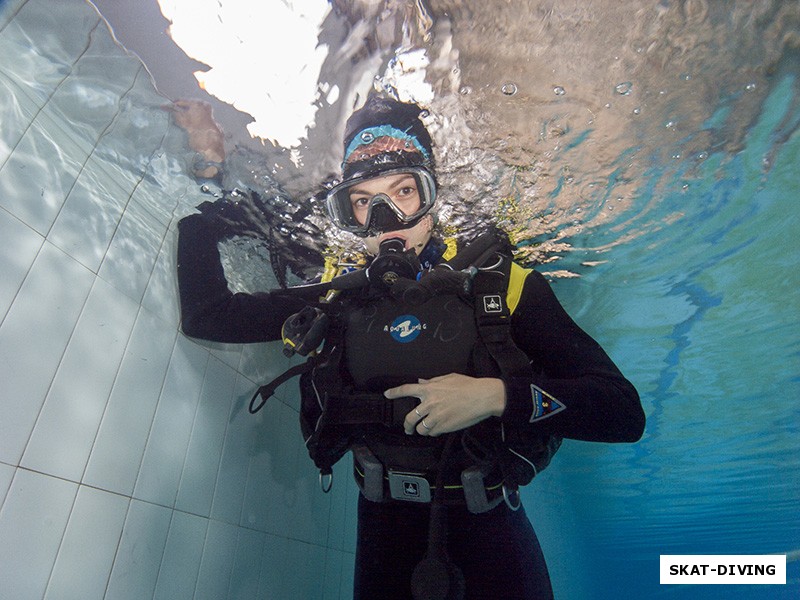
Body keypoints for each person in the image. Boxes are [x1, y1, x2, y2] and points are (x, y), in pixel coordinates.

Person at [176, 94, 645, 600]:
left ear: (432, 197)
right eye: (363, 201)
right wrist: (206, 191)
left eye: (404, 191)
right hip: (383, 534)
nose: (387, 217)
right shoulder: (338, 295)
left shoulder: (501, 286)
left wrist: (496, 396)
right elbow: (209, 314)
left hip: (491, 531)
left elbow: (621, 413)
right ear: (349, 214)